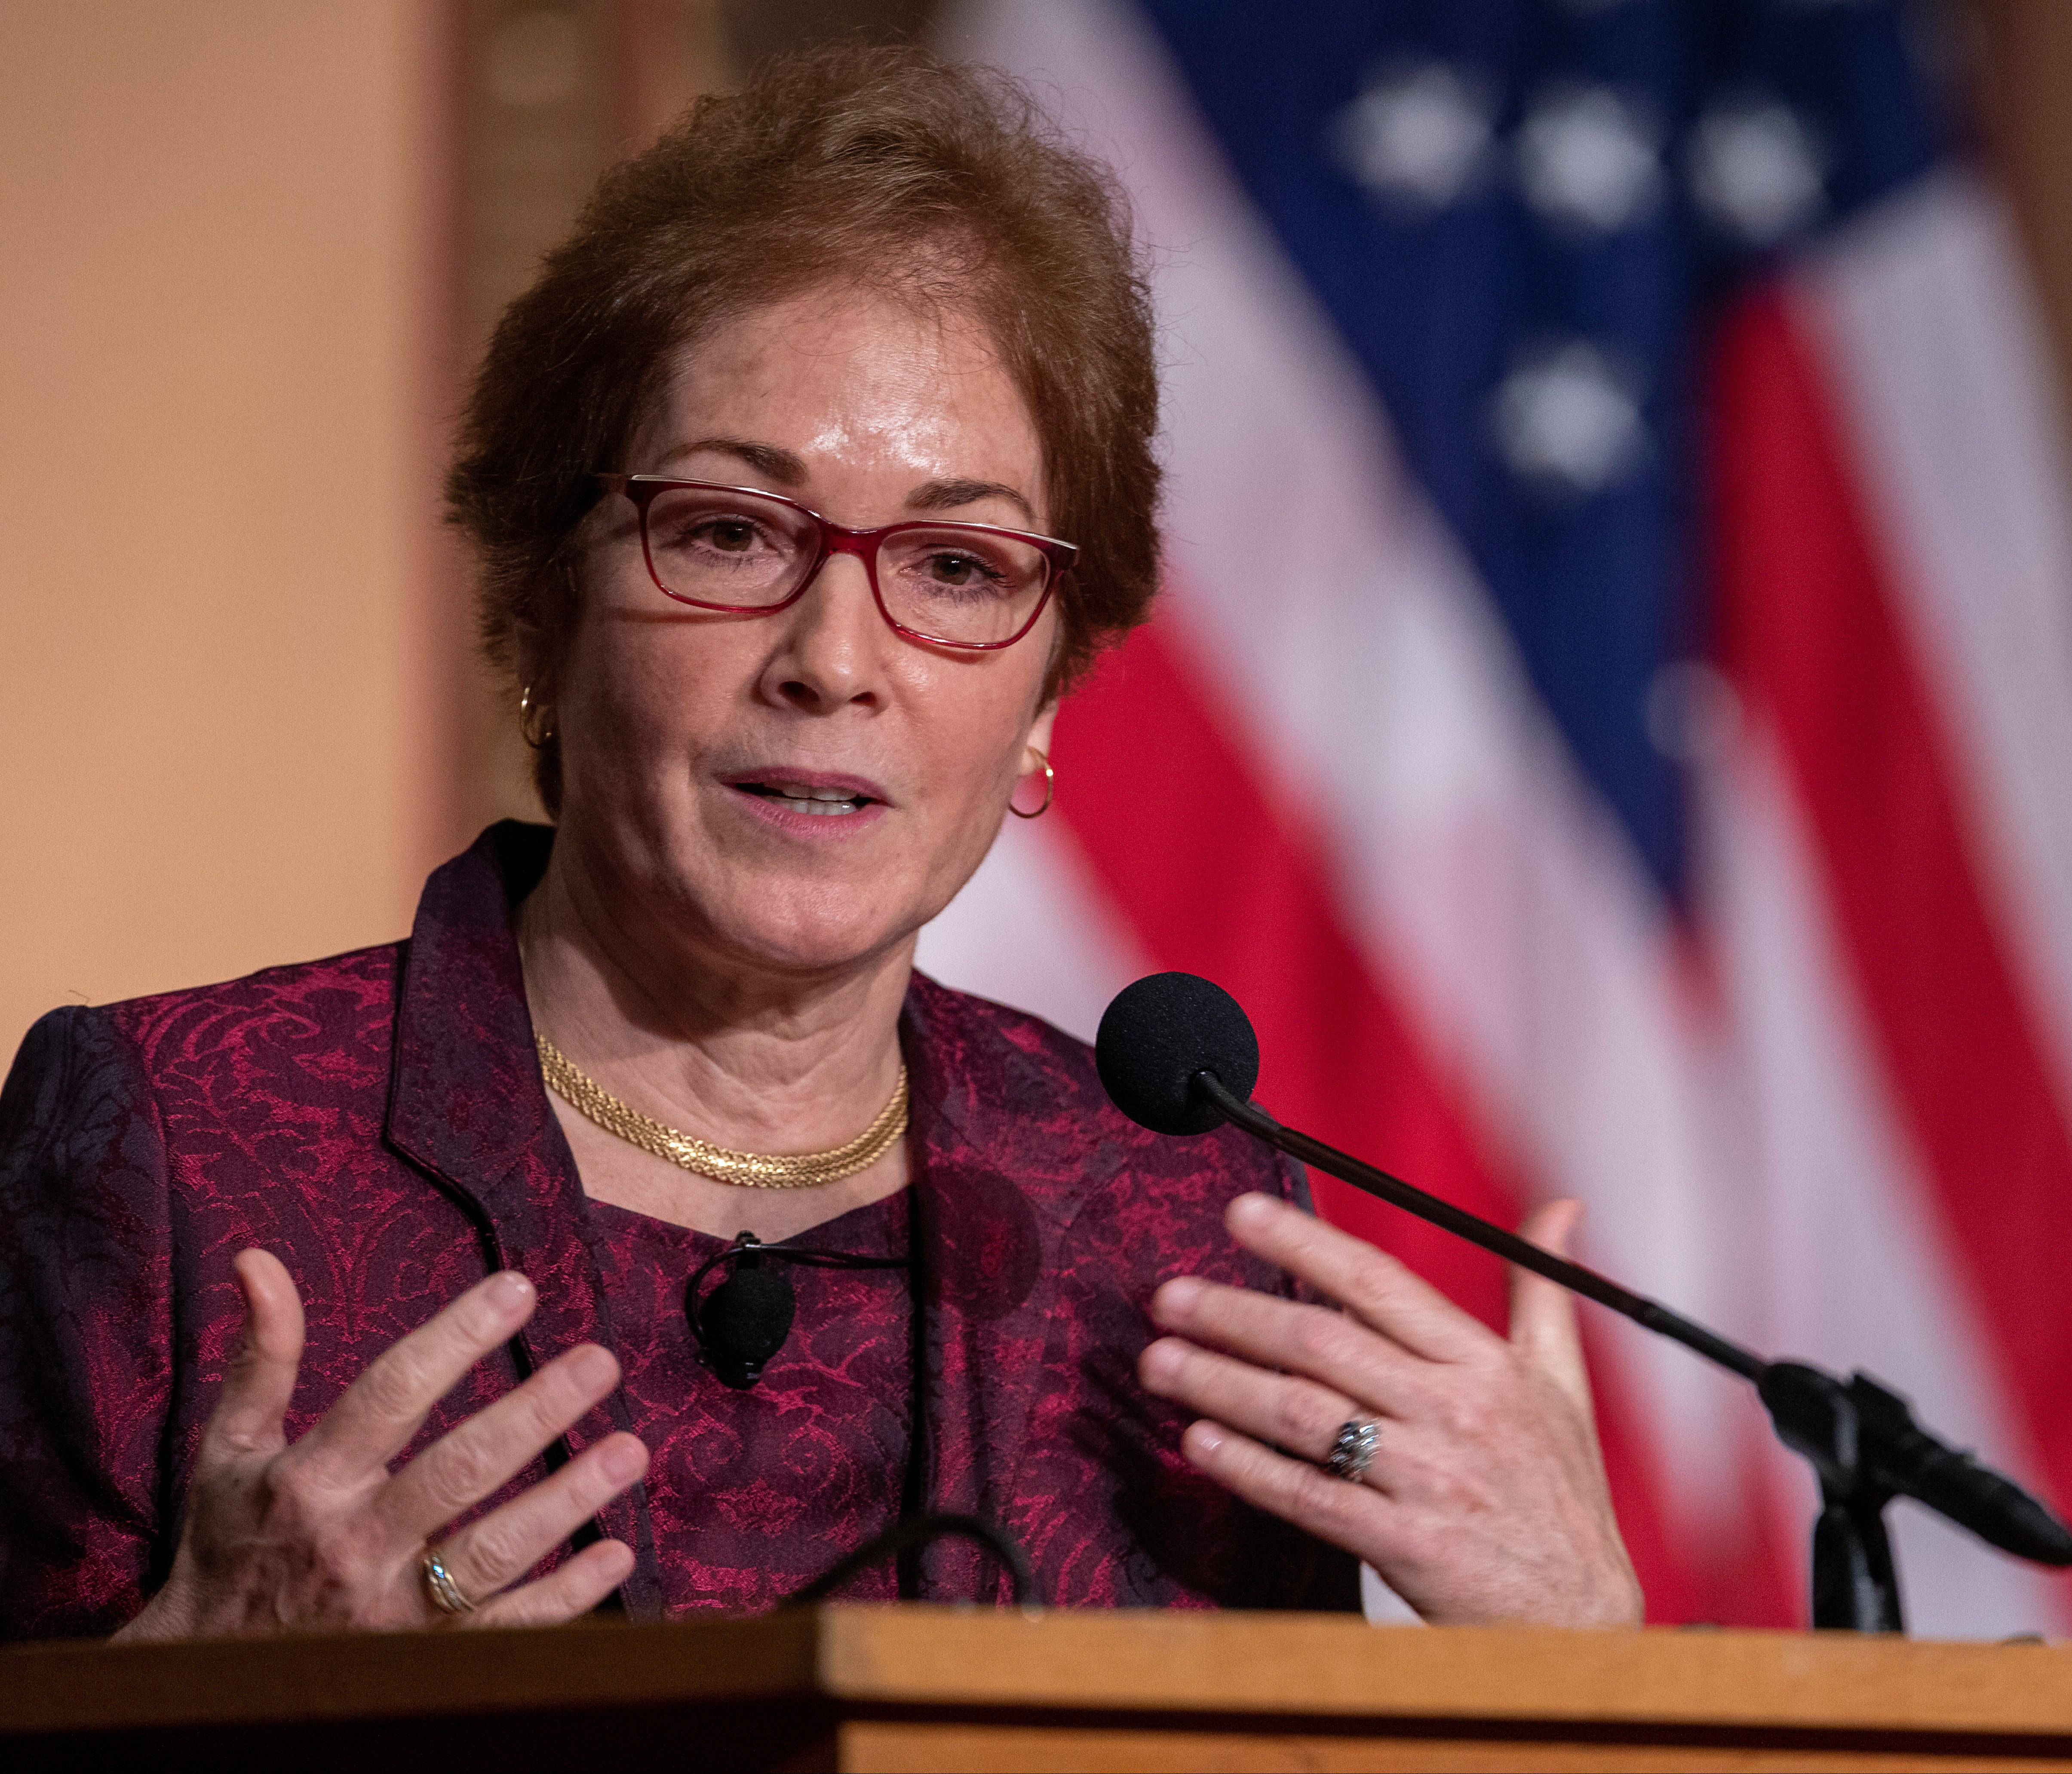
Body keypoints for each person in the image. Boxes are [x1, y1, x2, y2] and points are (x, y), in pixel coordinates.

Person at [0, 45, 1639, 1641]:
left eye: (954, 568)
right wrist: (185, 1692)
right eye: (729, 531)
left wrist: (1582, 1667)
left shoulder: (1178, 1230)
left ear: (1049, 697)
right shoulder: (182, 1149)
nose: (835, 658)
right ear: (543, 609)